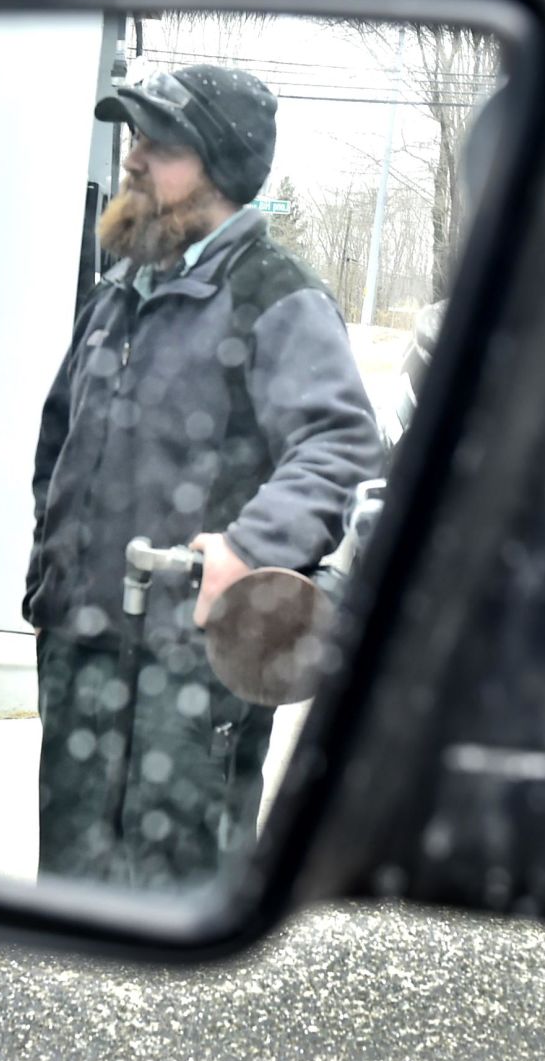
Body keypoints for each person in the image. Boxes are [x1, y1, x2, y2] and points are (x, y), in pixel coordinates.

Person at [24, 64, 385, 890]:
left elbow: (337, 448)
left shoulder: (275, 297)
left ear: (218, 170)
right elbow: (58, 438)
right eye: (135, 137)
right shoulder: (118, 291)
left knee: (174, 906)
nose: (135, 158)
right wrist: (50, 579)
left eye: (161, 144)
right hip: (82, 654)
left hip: (193, 677)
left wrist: (248, 547)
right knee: (71, 895)